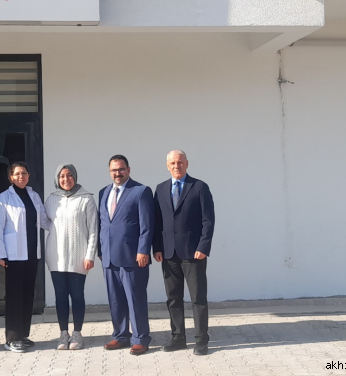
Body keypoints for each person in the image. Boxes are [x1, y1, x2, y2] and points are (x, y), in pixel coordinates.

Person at [153, 150, 216, 356]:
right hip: (168, 253)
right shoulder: (160, 189)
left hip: (193, 253)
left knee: (198, 298)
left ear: (187, 164)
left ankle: (201, 340)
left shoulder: (199, 187)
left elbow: (208, 220)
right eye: (172, 163)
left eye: (180, 162)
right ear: (167, 166)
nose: (176, 166)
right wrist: (157, 248)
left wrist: (203, 247)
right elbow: (157, 222)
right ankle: (178, 337)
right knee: (173, 298)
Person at [98, 154, 154, 355]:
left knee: (135, 299)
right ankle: (120, 335)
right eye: (114, 170)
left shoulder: (141, 191)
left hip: (132, 256)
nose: (118, 173)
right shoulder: (104, 192)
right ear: (109, 172)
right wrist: (100, 250)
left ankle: (140, 338)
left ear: (128, 169)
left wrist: (143, 250)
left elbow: (147, 225)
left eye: (121, 169)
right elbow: (102, 223)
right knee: (116, 299)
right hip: (109, 256)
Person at [42, 163, 98, 350]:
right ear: (57, 179)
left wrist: (90, 255)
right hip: (56, 256)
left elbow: (93, 230)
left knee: (77, 295)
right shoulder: (52, 199)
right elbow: (44, 220)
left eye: (69, 175)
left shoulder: (86, 198)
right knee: (60, 296)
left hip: (79, 257)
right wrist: (57, 229)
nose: (66, 179)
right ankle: (63, 334)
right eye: (62, 176)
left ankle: (77, 334)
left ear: (75, 176)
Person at [0, 161, 46, 353]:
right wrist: (1, 254)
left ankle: (23, 335)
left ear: (29, 176)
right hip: (13, 255)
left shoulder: (34, 196)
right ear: (10, 177)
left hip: (32, 254)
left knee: (27, 295)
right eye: (17, 174)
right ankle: (12, 339)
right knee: (15, 297)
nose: (21, 176)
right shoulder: (3, 198)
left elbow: (44, 220)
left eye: (24, 173)